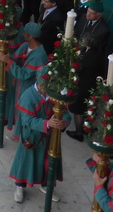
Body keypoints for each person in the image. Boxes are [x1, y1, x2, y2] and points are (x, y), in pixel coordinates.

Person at [9, 68, 70, 203]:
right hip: (32, 138)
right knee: (25, 163)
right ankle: (20, 186)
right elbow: (27, 120)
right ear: (41, 84)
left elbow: (66, 114)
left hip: (51, 139)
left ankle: (46, 186)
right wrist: (47, 123)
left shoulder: (55, 93)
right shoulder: (28, 96)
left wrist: (63, 122)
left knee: (49, 164)